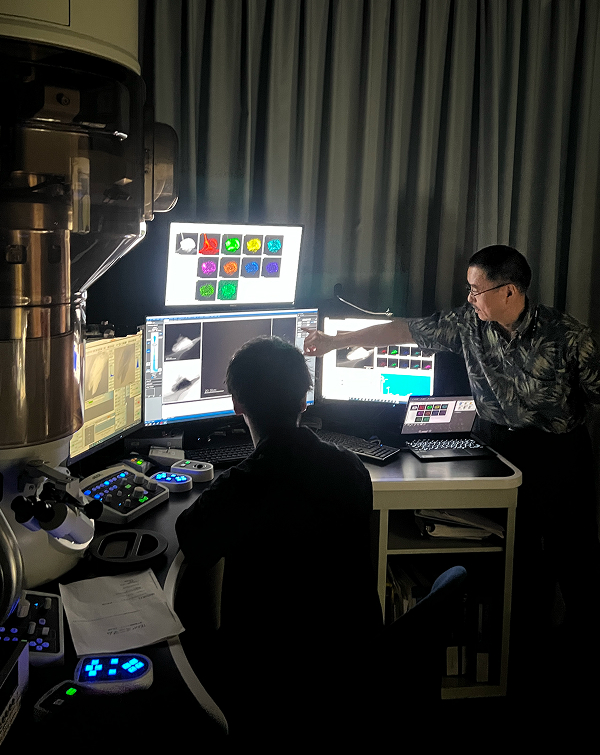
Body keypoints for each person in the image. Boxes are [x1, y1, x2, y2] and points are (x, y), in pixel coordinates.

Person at [304, 244, 600, 696]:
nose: (469, 298)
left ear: (510, 291)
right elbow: (402, 330)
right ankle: (517, 662)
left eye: (477, 290)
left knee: (574, 557)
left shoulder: (571, 336)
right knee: (514, 559)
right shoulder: (467, 325)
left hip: (558, 451)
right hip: (496, 444)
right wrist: (333, 343)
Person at [175, 336, 382, 744]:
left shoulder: (241, 486)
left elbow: (192, 540)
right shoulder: (352, 468)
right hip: (348, 672)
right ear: (304, 401)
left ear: (237, 405)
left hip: (269, 684)